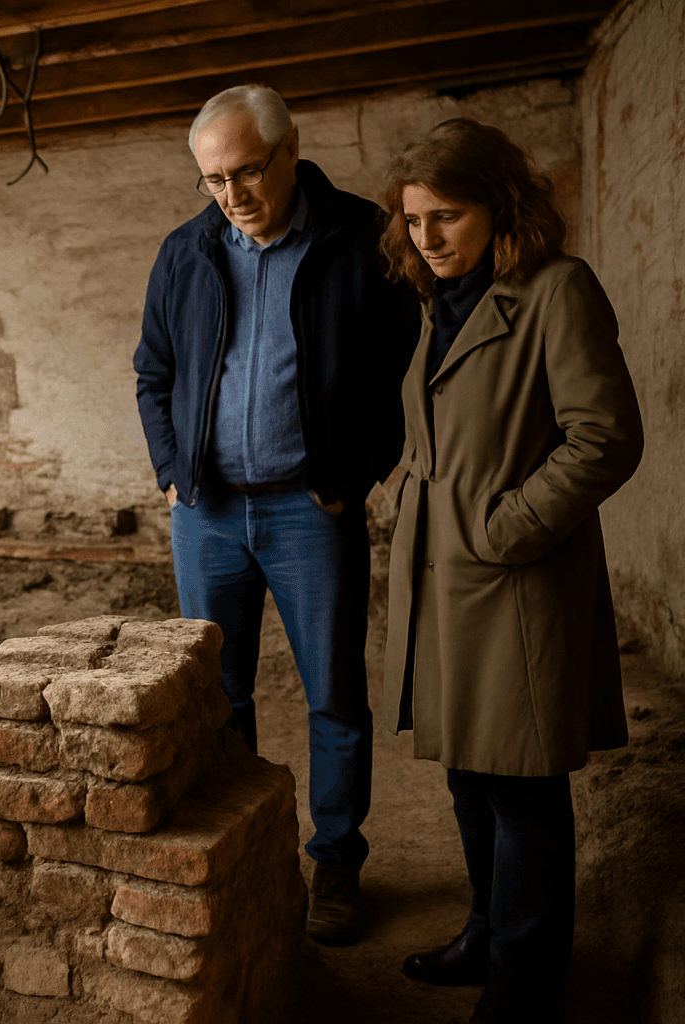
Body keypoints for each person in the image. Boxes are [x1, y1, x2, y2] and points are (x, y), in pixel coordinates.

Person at [132, 83, 419, 945]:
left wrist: (359, 472)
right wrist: (172, 473)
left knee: (334, 694)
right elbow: (152, 372)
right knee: (218, 698)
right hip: (206, 514)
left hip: (310, 510)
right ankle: (247, 852)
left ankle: (335, 863)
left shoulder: (362, 240)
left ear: (291, 150)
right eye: (214, 180)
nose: (232, 196)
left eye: (248, 171)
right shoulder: (186, 251)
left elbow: (401, 371)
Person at [379, 119, 643, 1023]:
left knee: (524, 790)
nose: (428, 239)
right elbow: (445, 431)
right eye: (414, 221)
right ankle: (487, 934)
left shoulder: (556, 291)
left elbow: (605, 437)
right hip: (443, 581)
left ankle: (528, 982)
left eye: (446, 217)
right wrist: (403, 493)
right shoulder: (437, 300)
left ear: (502, 207)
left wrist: (507, 525)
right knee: (467, 771)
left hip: (514, 579)